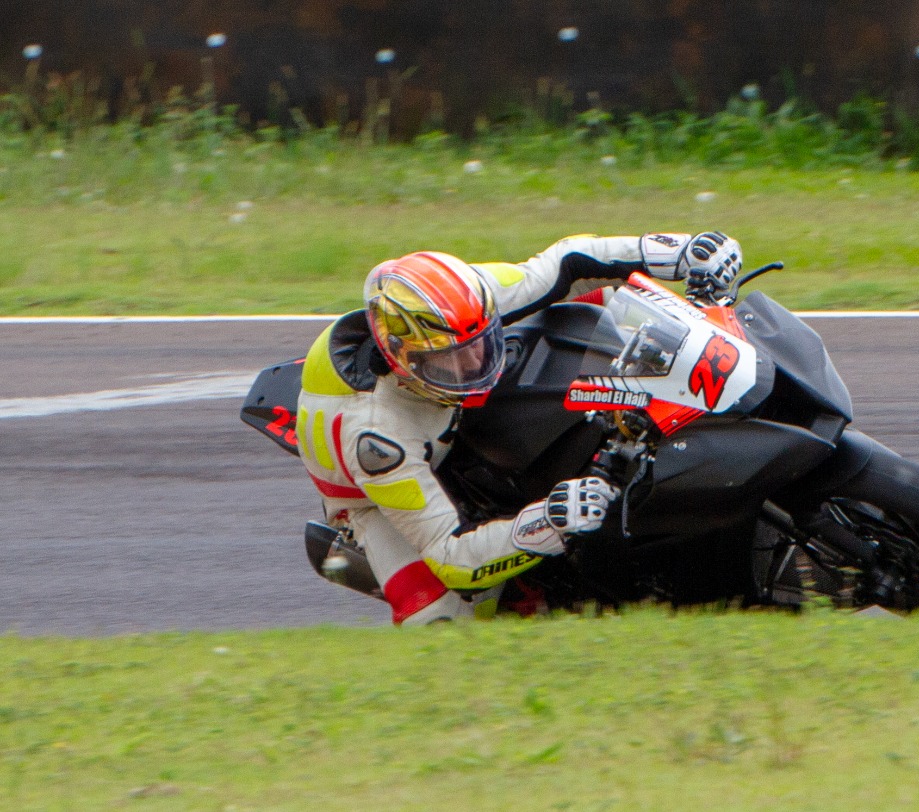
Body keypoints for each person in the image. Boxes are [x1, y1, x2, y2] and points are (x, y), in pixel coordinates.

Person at [295, 232, 743, 624]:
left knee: (595, 307)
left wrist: (680, 250)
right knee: (440, 624)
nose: (474, 364)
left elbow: (569, 260)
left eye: (479, 344)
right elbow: (450, 555)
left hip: (444, 409)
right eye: (450, 359)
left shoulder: (465, 300)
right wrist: (548, 519)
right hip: (374, 496)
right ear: (401, 357)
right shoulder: (375, 437)